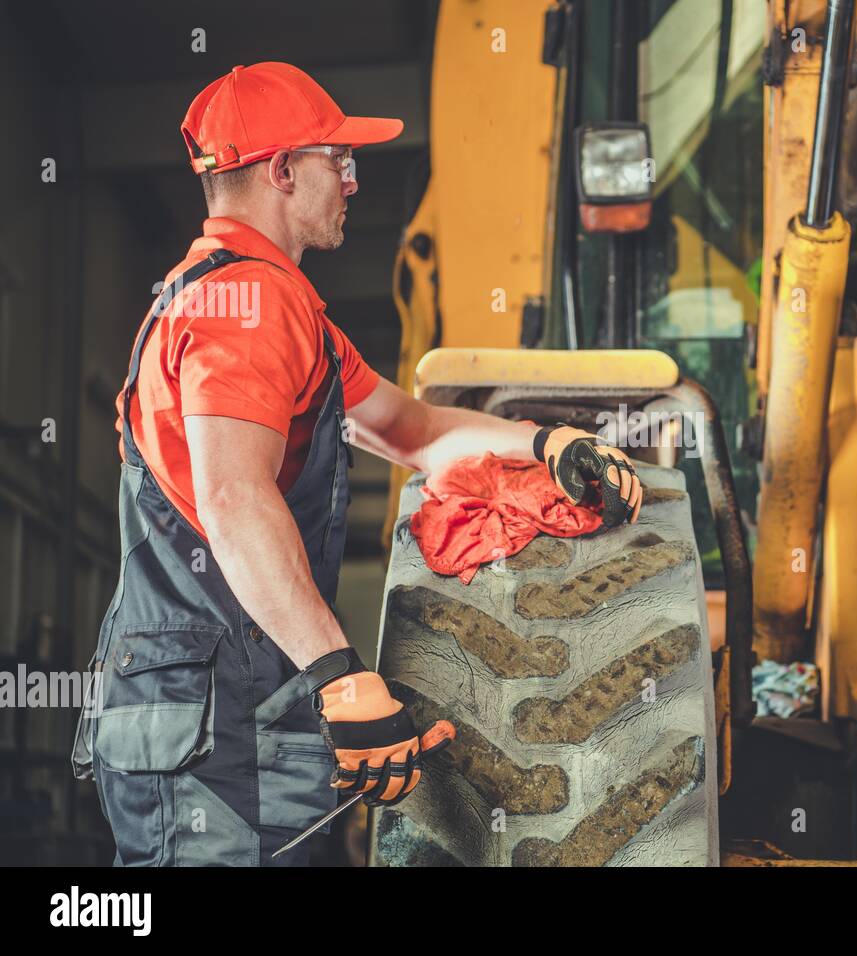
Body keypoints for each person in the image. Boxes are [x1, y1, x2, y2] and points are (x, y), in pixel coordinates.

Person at [71, 62, 641, 866]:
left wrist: (547, 443)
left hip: (218, 703)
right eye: (335, 160)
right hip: (218, 720)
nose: (351, 181)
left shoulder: (265, 302)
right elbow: (233, 498)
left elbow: (413, 433)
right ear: (279, 170)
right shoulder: (250, 306)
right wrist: (339, 677)